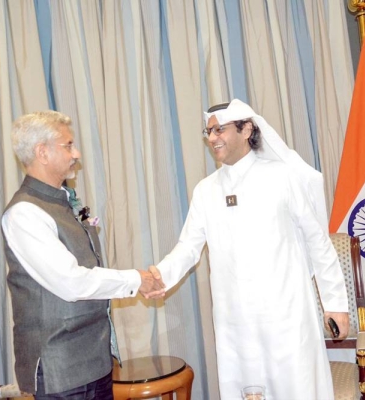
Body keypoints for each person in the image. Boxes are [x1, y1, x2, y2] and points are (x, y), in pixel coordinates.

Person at [149, 99, 349, 399]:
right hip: (236, 322)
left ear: (247, 130)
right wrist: (159, 276)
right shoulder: (206, 190)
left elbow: (317, 242)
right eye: (208, 132)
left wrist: (335, 304)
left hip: (286, 315)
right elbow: (188, 247)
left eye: (220, 130)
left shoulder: (282, 176)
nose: (212, 138)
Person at [1, 110, 162, 399]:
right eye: (68, 145)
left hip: (95, 362)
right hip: (59, 369)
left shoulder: (62, 202)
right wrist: (136, 279)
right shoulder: (24, 214)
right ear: (42, 152)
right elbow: (71, 283)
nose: (76, 154)